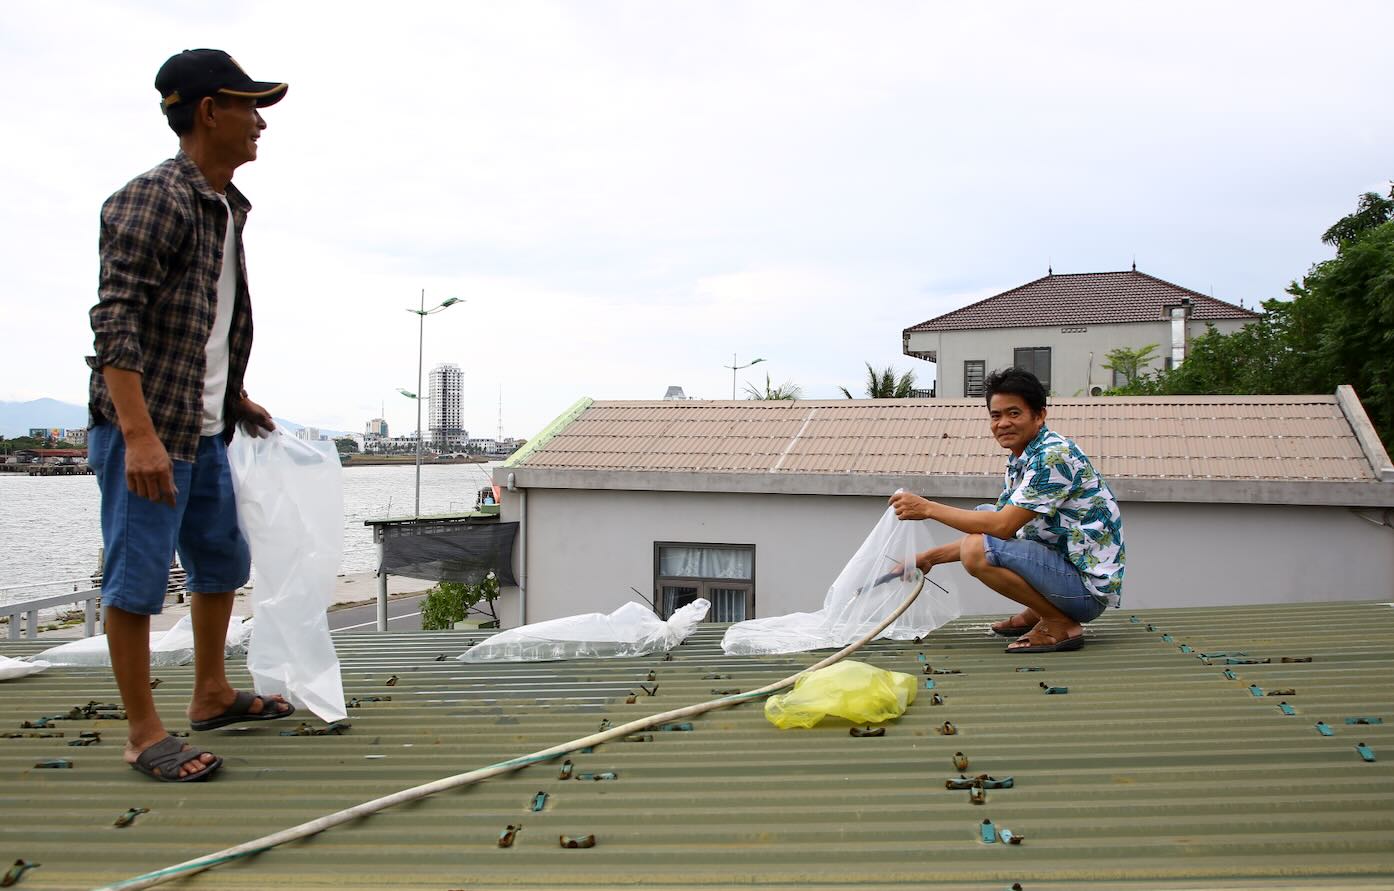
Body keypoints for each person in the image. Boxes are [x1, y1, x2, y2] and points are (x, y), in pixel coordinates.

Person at [86, 49, 293, 781]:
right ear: (210, 110)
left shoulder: (225, 207)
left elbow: (202, 321)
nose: (260, 121)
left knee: (222, 560)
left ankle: (210, 692)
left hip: (204, 425)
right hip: (150, 429)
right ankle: (145, 732)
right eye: (249, 105)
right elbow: (117, 322)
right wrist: (137, 437)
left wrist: (233, 395)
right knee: (138, 576)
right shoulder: (154, 199)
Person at [889, 367, 1125, 653]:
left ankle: (1057, 621)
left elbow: (1001, 529)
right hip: (1066, 571)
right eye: (996, 415)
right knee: (984, 517)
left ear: (1039, 415)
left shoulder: (1052, 457)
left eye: (1014, 414)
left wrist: (926, 507)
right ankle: (1040, 611)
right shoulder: (1024, 457)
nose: (1003, 423)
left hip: (1085, 593)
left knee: (977, 547)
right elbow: (998, 525)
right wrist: (928, 559)